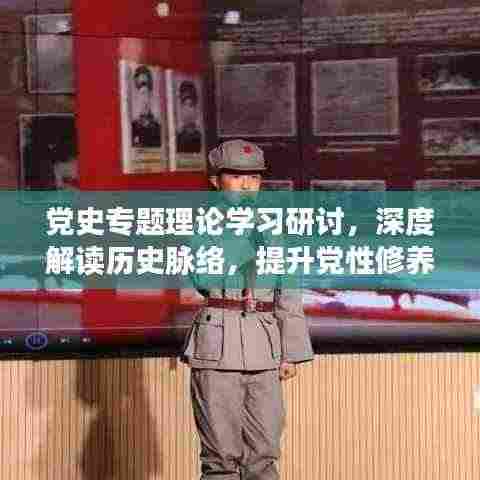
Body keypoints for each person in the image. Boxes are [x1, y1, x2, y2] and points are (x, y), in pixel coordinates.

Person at [180, 139, 314, 480]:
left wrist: (290, 353)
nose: (246, 185)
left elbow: (288, 292)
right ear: (216, 180)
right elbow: (204, 278)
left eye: (254, 177)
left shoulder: (272, 228)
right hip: (217, 345)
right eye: (237, 176)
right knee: (220, 459)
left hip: (265, 346)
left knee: (264, 455)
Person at [131, 65, 162, 148]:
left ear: (151, 94)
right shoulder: (132, 127)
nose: (144, 92)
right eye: (140, 86)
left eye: (146, 86)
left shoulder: (158, 128)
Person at [176, 80, 202, 153]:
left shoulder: (202, 138)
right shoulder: (176, 138)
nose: (187, 110)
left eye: (191, 105)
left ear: (196, 108)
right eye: (184, 105)